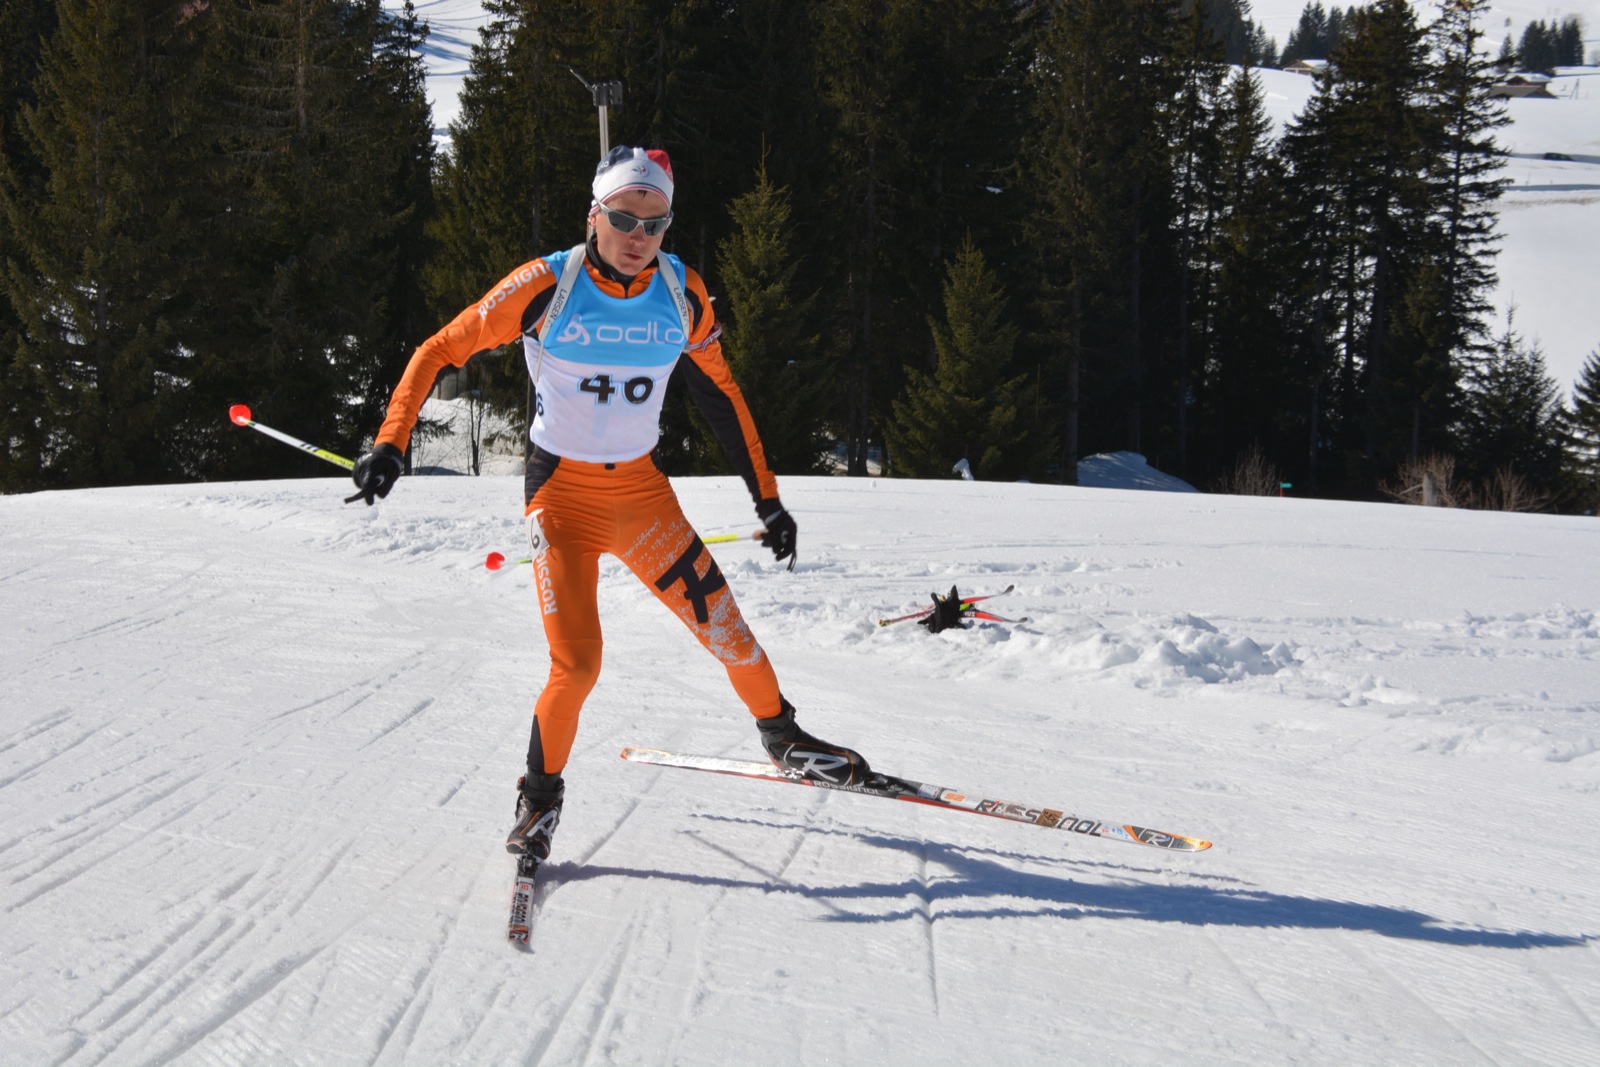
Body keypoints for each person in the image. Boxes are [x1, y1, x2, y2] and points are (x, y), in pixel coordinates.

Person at [347, 145, 871, 863]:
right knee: (578, 664)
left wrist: (769, 502)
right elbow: (439, 349)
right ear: (593, 215)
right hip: (562, 498)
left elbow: (722, 396)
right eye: (623, 218)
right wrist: (391, 441)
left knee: (732, 635)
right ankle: (539, 800)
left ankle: (783, 738)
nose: (638, 237)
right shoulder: (547, 286)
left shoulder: (683, 292)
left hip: (644, 498)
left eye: (655, 224)